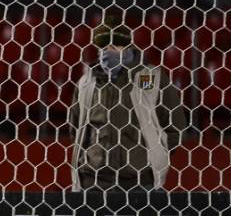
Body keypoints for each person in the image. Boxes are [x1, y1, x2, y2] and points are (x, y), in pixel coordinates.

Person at [68, 17, 187, 192]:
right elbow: (75, 127)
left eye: (115, 46)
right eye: (104, 47)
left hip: (139, 181)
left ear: (128, 46)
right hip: (93, 181)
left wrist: (157, 154)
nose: (109, 51)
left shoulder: (153, 78)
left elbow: (176, 126)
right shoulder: (86, 82)